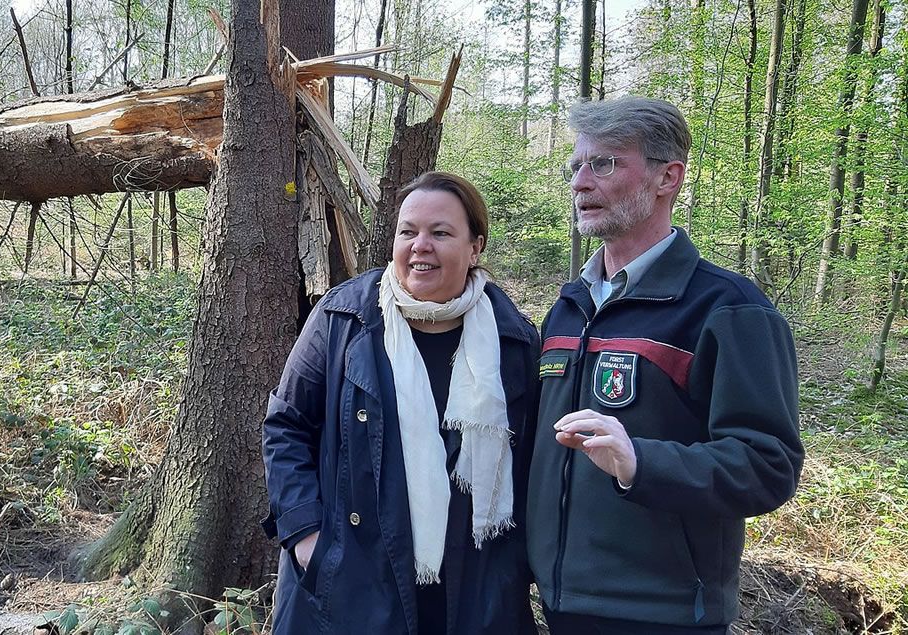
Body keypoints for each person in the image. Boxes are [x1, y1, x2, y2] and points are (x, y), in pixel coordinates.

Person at [528, 96, 805, 634]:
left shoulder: (729, 309)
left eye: (604, 163)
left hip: (664, 613)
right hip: (561, 603)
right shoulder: (568, 306)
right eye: (576, 166)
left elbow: (768, 465)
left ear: (667, 178)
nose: (581, 183)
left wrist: (641, 463)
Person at [262, 171, 539, 634]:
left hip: (472, 584)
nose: (420, 245)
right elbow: (286, 426)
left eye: (441, 232)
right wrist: (307, 537)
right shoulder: (343, 318)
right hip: (352, 577)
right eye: (408, 231)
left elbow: (532, 461)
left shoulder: (513, 340)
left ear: (475, 248)